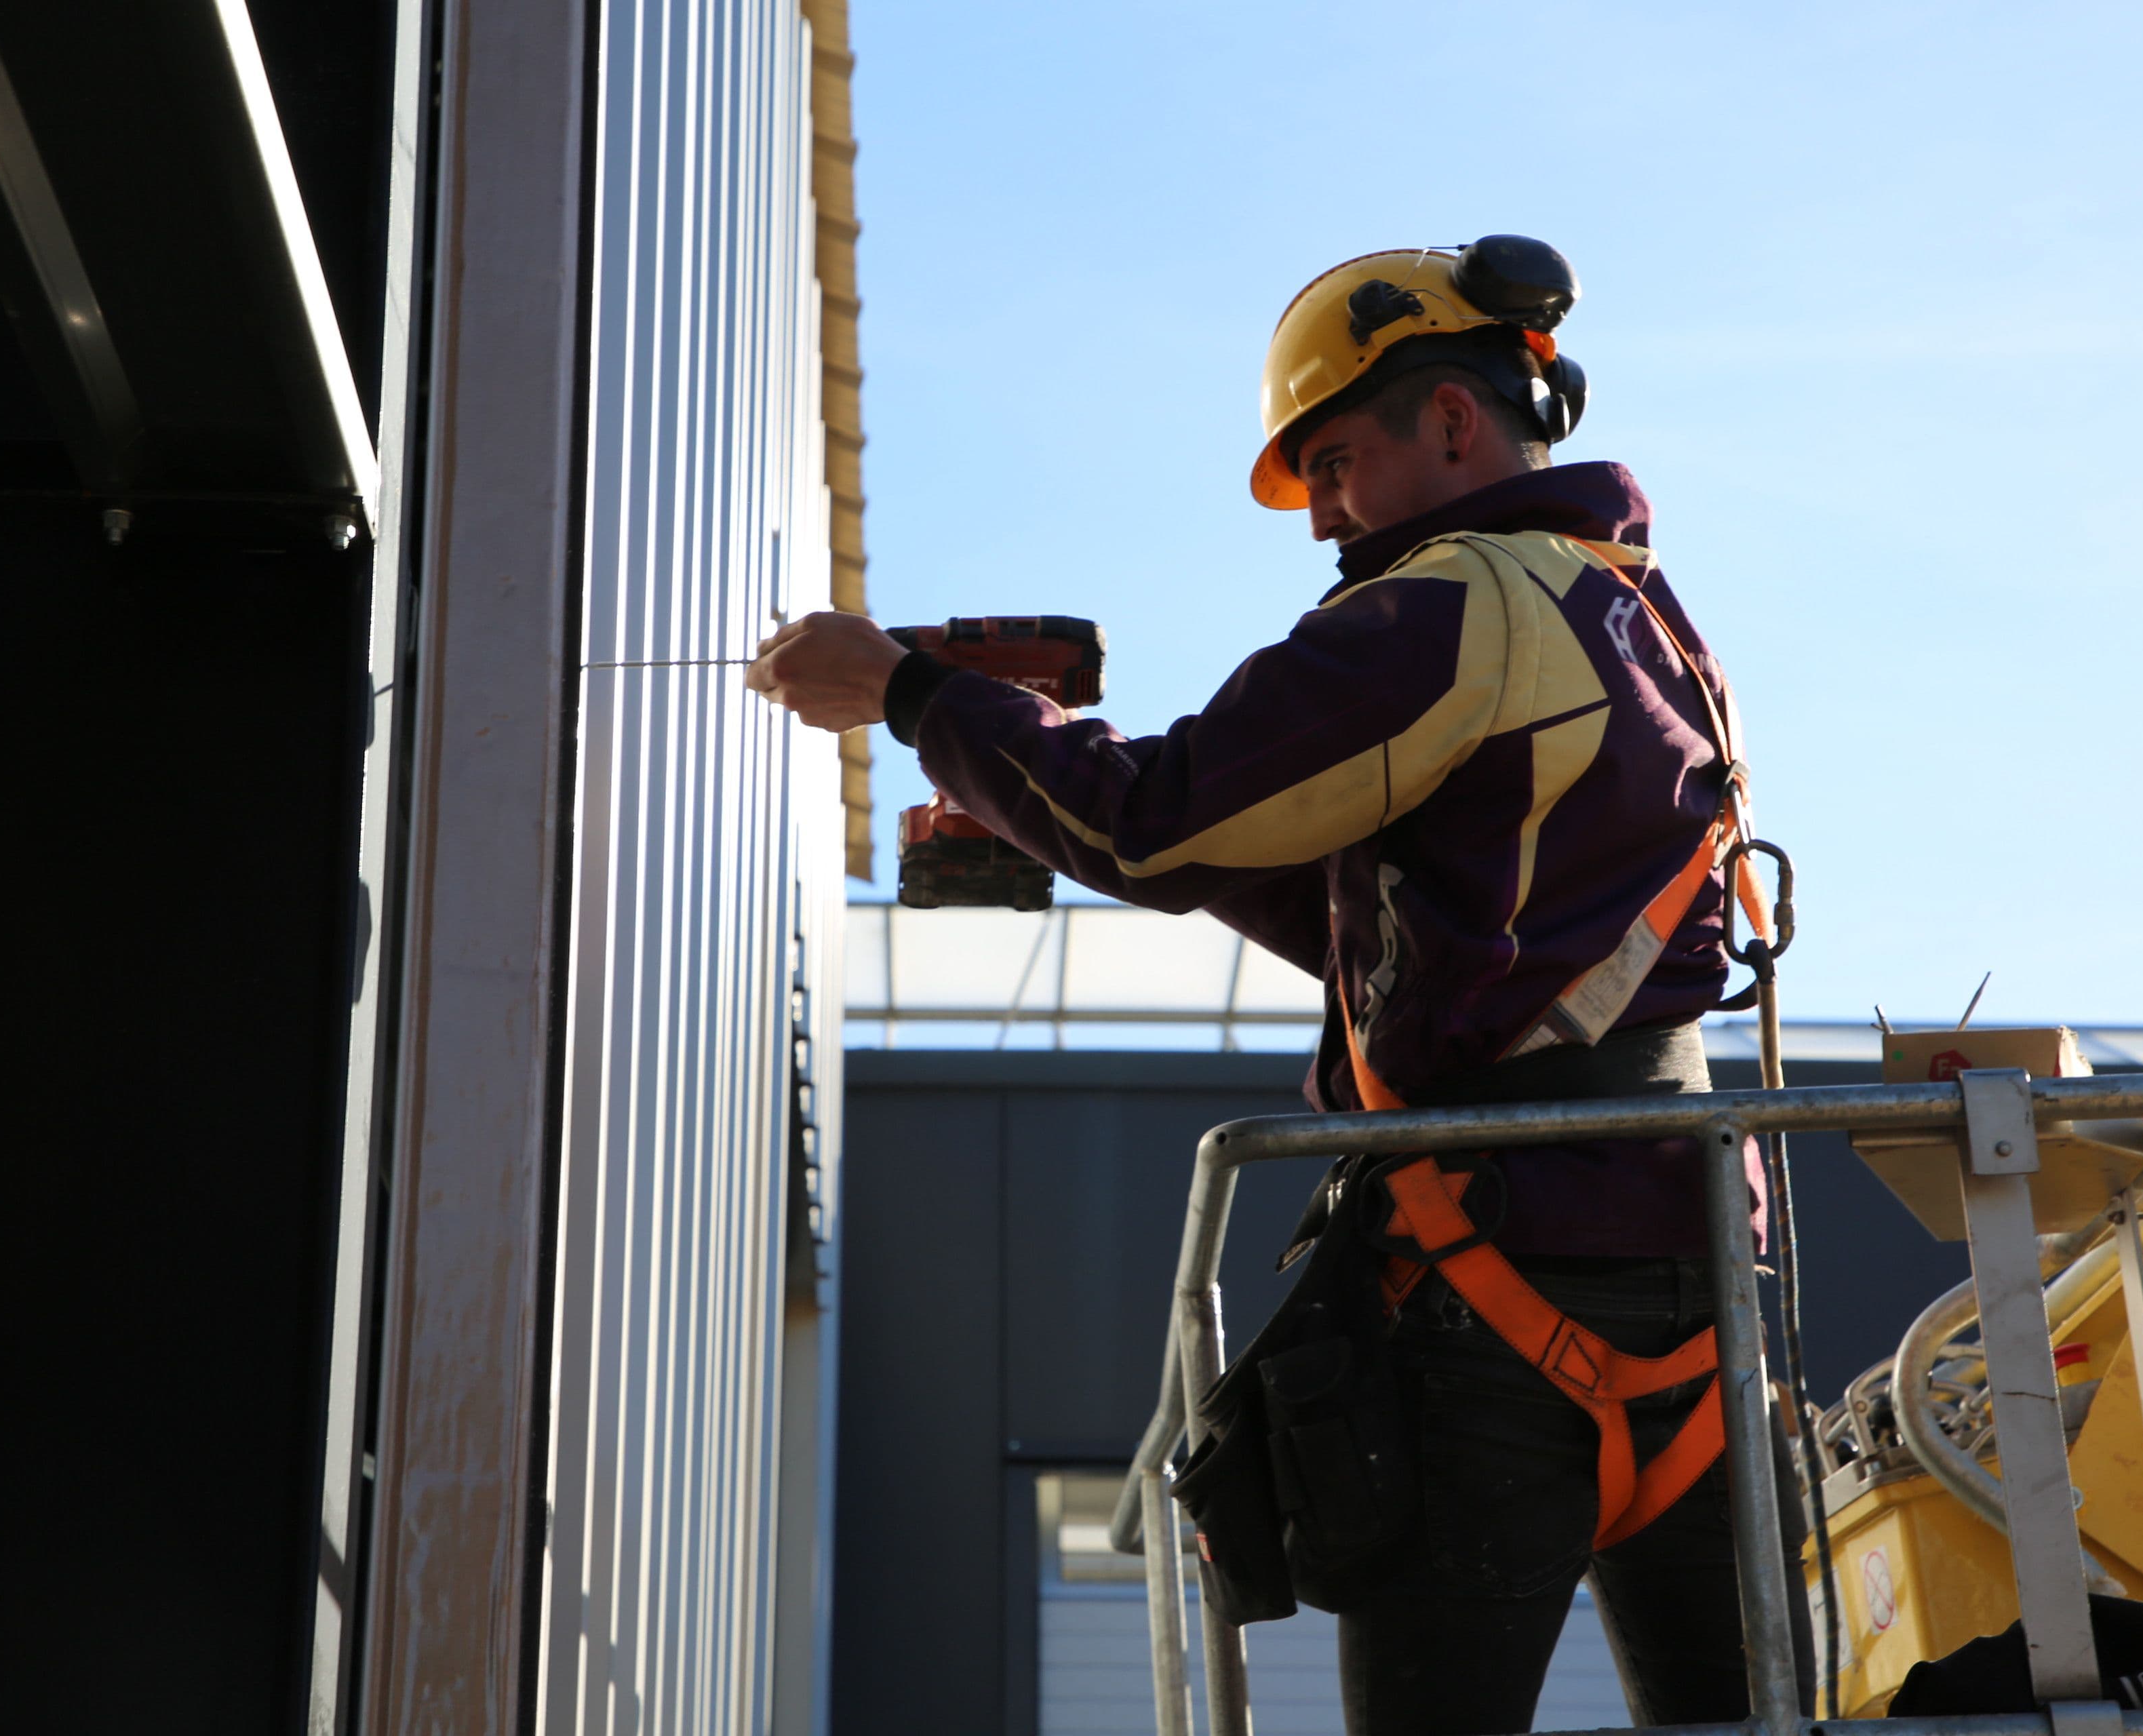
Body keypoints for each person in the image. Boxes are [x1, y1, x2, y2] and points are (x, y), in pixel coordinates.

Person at [748, 237, 1811, 1735]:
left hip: (1494, 1287)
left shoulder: (1447, 607)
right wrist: (1042, 788)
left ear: (1449, 423)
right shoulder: (1643, 617)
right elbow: (1426, 930)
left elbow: (1167, 808)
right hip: (1700, 1270)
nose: (1318, 513)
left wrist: (920, 698)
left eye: (1333, 459)